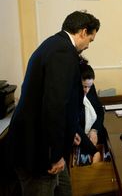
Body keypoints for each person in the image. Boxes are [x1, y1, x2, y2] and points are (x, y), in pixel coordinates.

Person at [5, 10, 100, 196]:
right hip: (39, 153)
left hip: (46, 145)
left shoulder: (55, 44)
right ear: (82, 32)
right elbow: (54, 107)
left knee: (65, 189)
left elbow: (61, 104)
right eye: (90, 39)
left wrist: (70, 132)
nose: (89, 45)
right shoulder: (63, 51)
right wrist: (55, 155)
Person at [73, 57, 108, 166]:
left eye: (90, 86)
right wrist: (93, 150)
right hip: (81, 140)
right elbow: (75, 126)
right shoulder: (73, 97)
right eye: (84, 86)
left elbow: (100, 111)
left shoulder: (89, 88)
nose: (87, 90)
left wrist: (94, 130)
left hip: (94, 135)